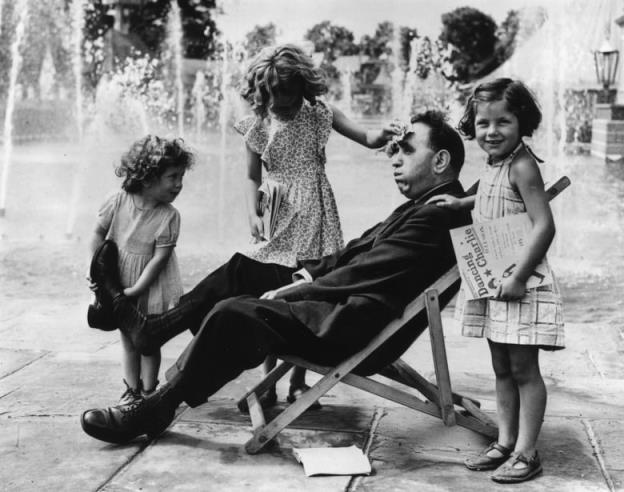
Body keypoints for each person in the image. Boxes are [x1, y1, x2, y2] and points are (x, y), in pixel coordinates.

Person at [80, 110, 470, 446]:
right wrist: (304, 273)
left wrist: (299, 288)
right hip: (342, 307)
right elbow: (355, 254)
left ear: (440, 161)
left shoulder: (438, 215)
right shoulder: (429, 207)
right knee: (242, 271)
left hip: (347, 325)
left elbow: (368, 271)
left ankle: (158, 406)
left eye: (407, 150)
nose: (394, 158)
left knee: (235, 313)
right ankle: (153, 332)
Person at [234, 44, 400, 408]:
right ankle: (267, 381)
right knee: (275, 289)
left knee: (309, 289)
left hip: (315, 209)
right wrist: (253, 213)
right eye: (274, 91)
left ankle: (297, 379)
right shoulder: (258, 123)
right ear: (262, 90)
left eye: (289, 89)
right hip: (276, 206)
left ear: (303, 84)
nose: (282, 98)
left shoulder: (319, 114)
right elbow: (250, 176)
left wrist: (384, 133)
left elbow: (366, 138)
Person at [427, 78, 564, 484]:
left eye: (503, 122)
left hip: (520, 284)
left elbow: (544, 225)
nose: (491, 131)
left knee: (524, 370)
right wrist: (461, 202)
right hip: (496, 282)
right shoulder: (495, 165)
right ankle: (505, 441)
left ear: (522, 121)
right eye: (483, 123)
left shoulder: (523, 165)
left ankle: (527, 451)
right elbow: (491, 194)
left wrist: (520, 277)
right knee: (502, 368)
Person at [87, 135, 194, 405]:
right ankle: (131, 390)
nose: (179, 184)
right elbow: (97, 235)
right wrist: (96, 272)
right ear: (148, 178)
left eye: (181, 176)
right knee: (127, 339)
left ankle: (149, 392)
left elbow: (159, 260)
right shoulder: (118, 201)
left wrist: (136, 290)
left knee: (148, 340)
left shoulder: (169, 216)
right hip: (117, 280)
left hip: (148, 284)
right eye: (172, 177)